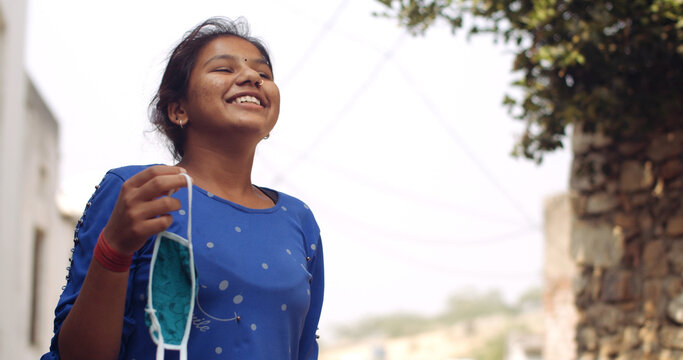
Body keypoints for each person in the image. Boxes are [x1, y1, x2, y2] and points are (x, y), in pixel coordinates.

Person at [42, 17, 324, 360]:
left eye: (264, 75)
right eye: (223, 69)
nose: (252, 78)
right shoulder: (140, 192)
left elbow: (304, 349)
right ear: (178, 109)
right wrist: (113, 250)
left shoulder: (298, 219)